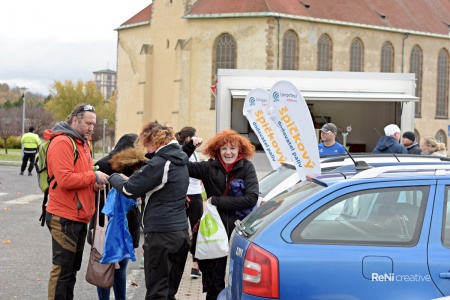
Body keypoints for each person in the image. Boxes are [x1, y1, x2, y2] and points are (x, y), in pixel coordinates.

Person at [108, 121, 190, 300]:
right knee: (169, 291)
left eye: (146, 142)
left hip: (161, 234)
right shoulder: (180, 159)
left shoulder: (161, 162)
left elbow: (129, 189)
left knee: (157, 292)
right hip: (181, 232)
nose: (145, 147)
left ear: (155, 140)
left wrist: (114, 177)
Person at [183, 129, 259, 300]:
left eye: (232, 148)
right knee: (214, 283)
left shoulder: (246, 167)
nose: (228, 152)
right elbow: (180, 164)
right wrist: (188, 147)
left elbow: (251, 198)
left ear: (240, 150)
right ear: (217, 150)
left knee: (239, 280)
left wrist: (217, 201)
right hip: (214, 234)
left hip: (239, 232)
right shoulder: (208, 167)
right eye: (224, 148)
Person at [44, 104, 109, 300]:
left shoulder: (83, 144)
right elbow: (65, 180)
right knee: (62, 269)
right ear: (75, 120)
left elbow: (81, 177)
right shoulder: (63, 142)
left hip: (79, 216)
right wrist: (93, 176)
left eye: (94, 124)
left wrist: (94, 185)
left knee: (72, 269)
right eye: (88, 123)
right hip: (63, 217)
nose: (92, 128)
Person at [88, 133, 148, 300]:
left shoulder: (101, 165)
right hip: (127, 224)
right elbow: (141, 195)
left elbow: (91, 192)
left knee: (103, 266)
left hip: (102, 222)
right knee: (120, 269)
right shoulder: (139, 167)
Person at [175, 126, 204, 279]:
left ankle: (195, 264)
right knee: (181, 232)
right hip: (183, 196)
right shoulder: (181, 151)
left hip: (196, 196)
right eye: (196, 136)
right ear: (189, 139)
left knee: (197, 230)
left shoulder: (194, 153)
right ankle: (176, 262)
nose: (198, 138)